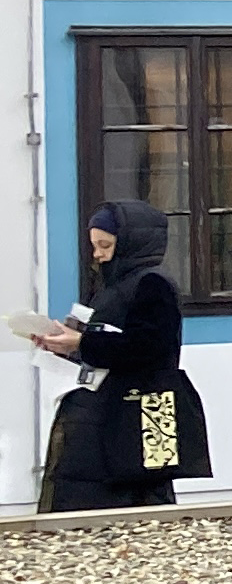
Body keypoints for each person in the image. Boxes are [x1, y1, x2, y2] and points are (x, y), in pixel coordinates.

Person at [34, 202, 210, 513]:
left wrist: (84, 343)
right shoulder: (110, 285)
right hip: (105, 409)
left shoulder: (153, 284)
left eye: (105, 245)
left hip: (138, 411)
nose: (98, 254)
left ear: (130, 244)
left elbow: (149, 348)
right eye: (94, 246)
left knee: (140, 503)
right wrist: (66, 342)